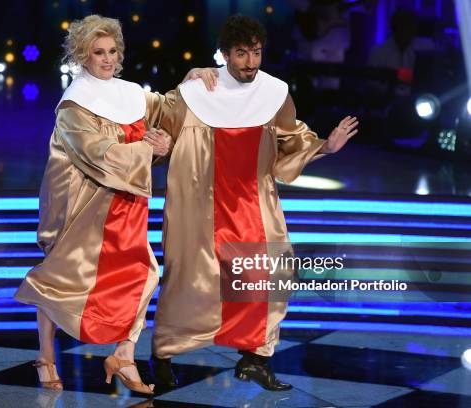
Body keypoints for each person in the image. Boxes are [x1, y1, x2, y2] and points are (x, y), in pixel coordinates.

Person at [148, 15, 358, 391]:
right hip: (199, 207)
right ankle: (163, 356)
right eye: (241, 54)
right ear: (225, 55)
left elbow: (291, 142)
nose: (250, 63)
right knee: (189, 284)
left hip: (254, 206)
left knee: (268, 277)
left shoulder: (274, 93)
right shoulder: (194, 93)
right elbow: (160, 129)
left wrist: (327, 146)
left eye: (256, 53)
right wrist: (161, 144)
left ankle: (256, 359)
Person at [14, 15, 213, 394]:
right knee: (60, 278)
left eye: (112, 51)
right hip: (81, 203)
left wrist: (193, 79)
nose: (107, 59)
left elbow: (168, 109)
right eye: (98, 53)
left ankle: (123, 354)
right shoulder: (75, 105)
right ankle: (46, 355)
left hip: (125, 201)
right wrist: (147, 148)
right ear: (83, 56)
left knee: (146, 273)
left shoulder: (131, 93)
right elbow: (97, 153)